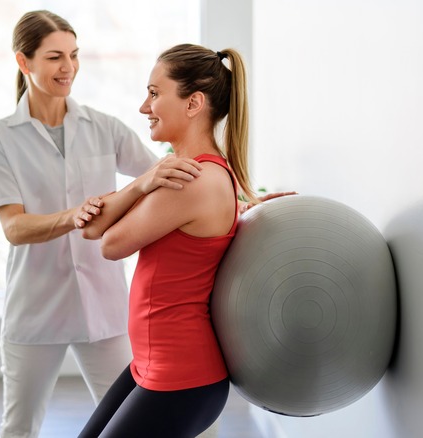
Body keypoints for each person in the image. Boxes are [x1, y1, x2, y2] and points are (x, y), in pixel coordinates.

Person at [0, 11, 204, 438]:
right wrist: (71, 217)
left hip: (103, 307)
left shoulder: (103, 127)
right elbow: (14, 227)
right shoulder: (0, 139)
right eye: (54, 57)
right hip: (35, 307)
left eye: (74, 55)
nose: (68, 68)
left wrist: (245, 196)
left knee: (126, 419)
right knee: (19, 427)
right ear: (24, 62)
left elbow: (170, 173)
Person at [77, 44, 290, 437]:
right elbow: (90, 228)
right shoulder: (187, 173)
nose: (145, 107)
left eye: (155, 94)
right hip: (154, 365)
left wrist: (141, 185)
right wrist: (143, 182)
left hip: (180, 377)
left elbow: (110, 245)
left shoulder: (189, 180)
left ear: (193, 103)